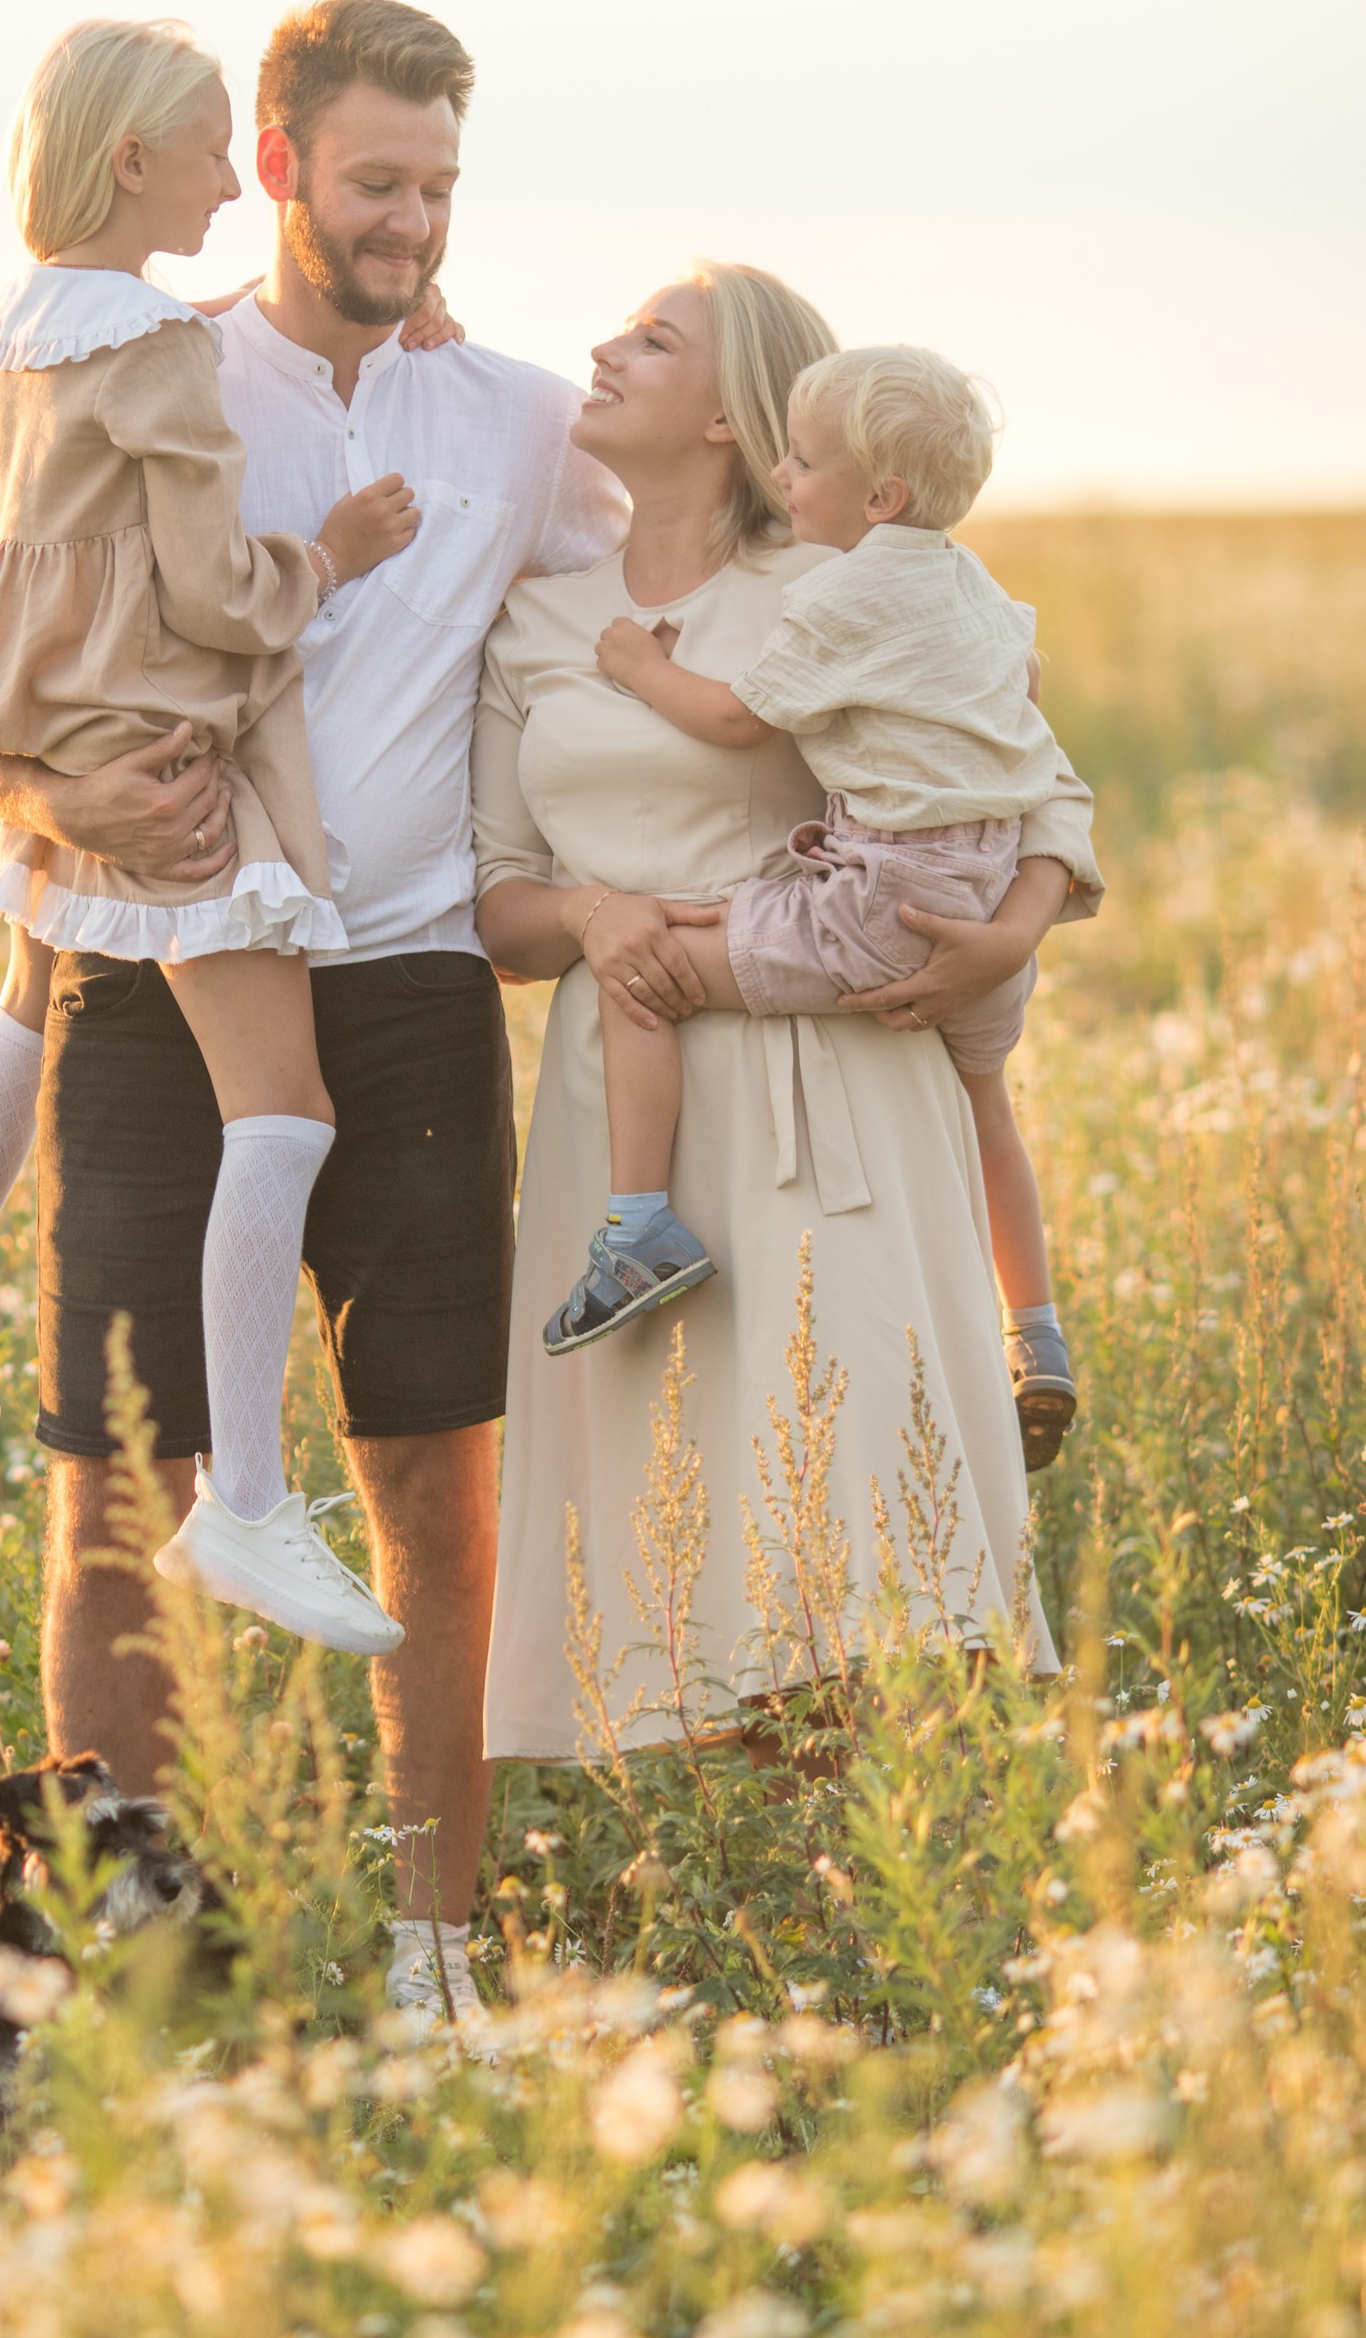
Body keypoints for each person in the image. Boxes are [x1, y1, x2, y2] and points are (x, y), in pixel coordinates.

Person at [0, 0, 628, 2031]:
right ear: (277, 166)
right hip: (147, 974)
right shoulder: (139, 347)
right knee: (113, 1489)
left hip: (408, 993)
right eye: (375, 179)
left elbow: (692, 586)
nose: (409, 222)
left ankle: (434, 1964)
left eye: (440, 188)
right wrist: (32, 791)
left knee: (434, 1485)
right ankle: (115, 1987)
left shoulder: (519, 421)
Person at [472, 266, 1105, 1765]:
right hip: (626, 1125)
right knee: (673, 1565)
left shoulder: (847, 580)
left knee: (860, 1589)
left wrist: (999, 937)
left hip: (835, 1099)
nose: (600, 351)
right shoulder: (533, 619)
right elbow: (499, 904)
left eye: (649, 339)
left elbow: (1033, 788)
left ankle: (888, 1956)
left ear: (726, 415)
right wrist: (590, 917)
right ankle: (736, 1964)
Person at [0, 16, 419, 1660]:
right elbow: (202, 586)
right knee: (285, 1107)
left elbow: (35, 554)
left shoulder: (24, 329)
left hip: (52, 720)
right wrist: (329, 553)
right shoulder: (157, 346)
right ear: (129, 162)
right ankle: (244, 1494)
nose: (225, 190)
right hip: (161, 744)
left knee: (27, 1011)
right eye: (199, 154)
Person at [549, 342, 1082, 1470]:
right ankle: (1033, 1331)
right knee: (989, 1106)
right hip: (982, 890)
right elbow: (1031, 736)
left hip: (881, 900)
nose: (782, 477)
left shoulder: (841, 593)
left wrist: (642, 669)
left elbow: (746, 718)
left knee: (647, 968)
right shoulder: (977, 589)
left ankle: (636, 1230)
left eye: (800, 461)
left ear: (877, 495)